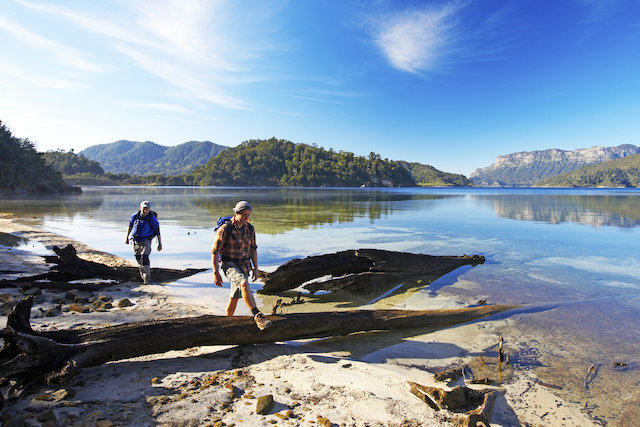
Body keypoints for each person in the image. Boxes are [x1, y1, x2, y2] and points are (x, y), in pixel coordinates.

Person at [211, 200, 272, 330]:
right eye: (244, 215)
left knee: (235, 297)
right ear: (236, 213)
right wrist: (216, 273)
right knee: (244, 283)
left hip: (244, 265)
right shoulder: (225, 229)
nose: (247, 218)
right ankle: (258, 316)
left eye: (248, 215)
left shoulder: (250, 229)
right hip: (229, 264)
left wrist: (256, 268)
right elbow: (215, 252)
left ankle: (226, 323)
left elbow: (253, 249)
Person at [126, 200, 162, 284]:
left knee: (144, 257)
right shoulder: (134, 216)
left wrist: (160, 244)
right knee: (138, 258)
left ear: (149, 209)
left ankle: (147, 279)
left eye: (147, 208)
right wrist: (126, 237)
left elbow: (157, 232)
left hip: (146, 240)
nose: (145, 210)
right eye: (143, 208)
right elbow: (130, 226)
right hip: (136, 239)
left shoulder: (152, 218)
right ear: (140, 207)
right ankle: (143, 275)